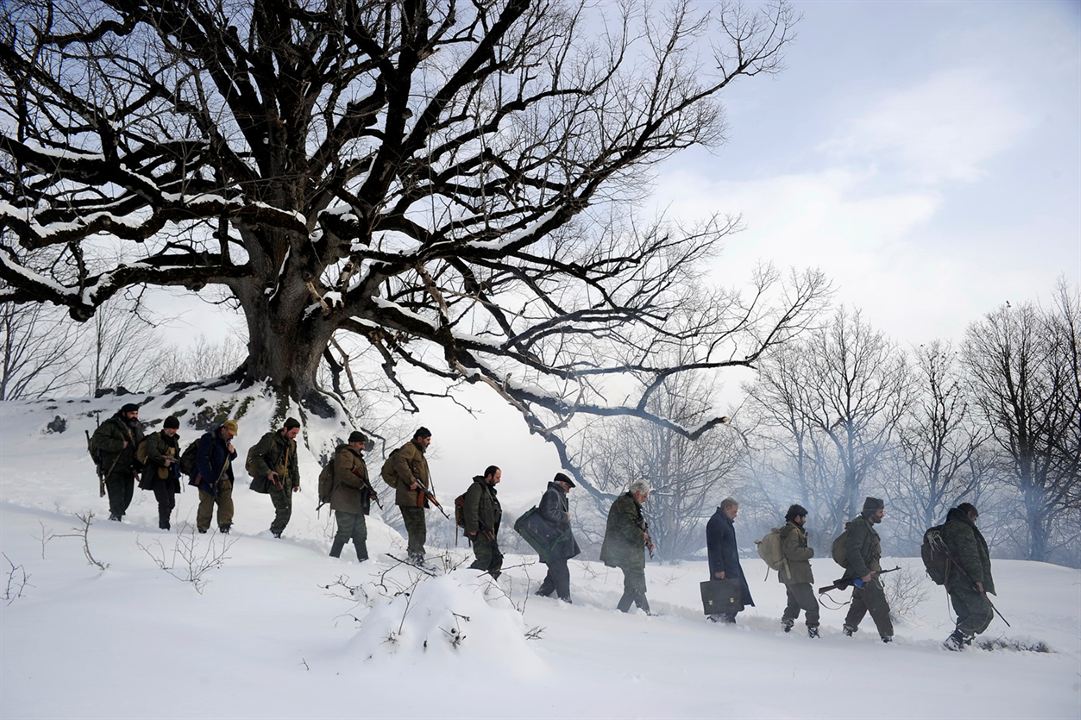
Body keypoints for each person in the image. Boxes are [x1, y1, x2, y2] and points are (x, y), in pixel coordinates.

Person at [941, 502, 996, 651]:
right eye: (974, 517)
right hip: (965, 579)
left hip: (951, 579)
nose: (975, 521)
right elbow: (970, 556)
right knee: (984, 613)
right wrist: (978, 579)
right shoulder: (963, 529)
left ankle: (961, 644)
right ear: (969, 514)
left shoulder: (948, 527)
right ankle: (955, 640)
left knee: (965, 614)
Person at [841, 497, 893, 643]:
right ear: (871, 512)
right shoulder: (860, 526)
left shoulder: (866, 526)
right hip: (865, 574)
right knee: (880, 605)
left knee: (860, 603)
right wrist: (864, 573)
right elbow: (853, 551)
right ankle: (887, 639)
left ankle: (848, 630)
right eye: (880, 511)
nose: (882, 514)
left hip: (868, 573)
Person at [600, 480, 654, 614]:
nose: (646, 499)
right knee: (636, 582)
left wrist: (648, 540)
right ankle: (645, 613)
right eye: (645, 496)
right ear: (637, 493)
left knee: (632, 586)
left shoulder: (632, 504)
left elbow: (639, 525)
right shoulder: (625, 503)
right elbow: (627, 527)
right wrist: (643, 536)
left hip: (628, 552)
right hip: (625, 552)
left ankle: (621, 612)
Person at [90, 402, 144, 521]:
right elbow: (98, 439)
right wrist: (119, 444)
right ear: (124, 413)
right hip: (113, 466)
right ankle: (114, 522)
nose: (134, 416)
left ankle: (115, 517)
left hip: (130, 467)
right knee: (117, 497)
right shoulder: (111, 425)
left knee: (127, 497)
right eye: (131, 413)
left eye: (136, 413)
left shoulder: (136, 426)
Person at [248, 417, 302, 538]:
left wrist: (296, 482)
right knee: (283, 510)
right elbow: (256, 456)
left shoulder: (292, 444)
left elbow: (294, 464)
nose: (294, 436)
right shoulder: (270, 439)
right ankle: (272, 535)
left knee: (287, 511)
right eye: (293, 433)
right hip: (273, 480)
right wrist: (268, 472)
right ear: (285, 428)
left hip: (287, 481)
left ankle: (273, 534)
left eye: (296, 433)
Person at [388, 427, 434, 563]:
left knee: (418, 529)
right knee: (416, 529)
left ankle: (415, 556)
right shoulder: (410, 448)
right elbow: (399, 461)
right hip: (409, 498)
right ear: (419, 438)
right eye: (427, 439)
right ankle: (415, 558)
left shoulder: (418, 452)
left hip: (415, 498)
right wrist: (411, 480)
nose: (429, 442)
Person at [705, 497, 754, 623]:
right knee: (726, 593)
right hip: (724, 567)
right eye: (734, 512)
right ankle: (720, 618)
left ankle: (727, 618)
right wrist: (718, 568)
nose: (736, 515)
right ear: (726, 508)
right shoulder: (716, 522)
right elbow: (714, 547)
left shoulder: (724, 521)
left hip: (731, 565)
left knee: (736, 593)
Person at [534, 472, 580, 602]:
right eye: (568, 487)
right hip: (553, 542)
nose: (569, 490)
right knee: (561, 572)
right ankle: (565, 601)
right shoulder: (552, 494)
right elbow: (548, 513)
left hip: (555, 542)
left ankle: (540, 596)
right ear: (562, 484)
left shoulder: (556, 494)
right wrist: (564, 516)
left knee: (555, 573)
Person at [328, 431, 373, 562]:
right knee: (344, 532)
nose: (363, 446)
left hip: (354, 502)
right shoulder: (345, 454)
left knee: (360, 533)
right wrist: (360, 485)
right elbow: (344, 473)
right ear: (352, 443)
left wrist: (368, 489)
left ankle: (364, 561)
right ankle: (332, 560)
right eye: (360, 443)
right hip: (344, 500)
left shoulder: (356, 457)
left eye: (363, 444)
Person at [778, 504, 819, 638]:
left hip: (789, 575)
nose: (805, 520)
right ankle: (813, 631)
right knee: (812, 605)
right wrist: (809, 552)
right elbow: (792, 552)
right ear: (796, 517)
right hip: (796, 576)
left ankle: (786, 626)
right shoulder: (793, 532)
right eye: (803, 517)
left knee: (794, 603)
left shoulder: (788, 530)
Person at [192, 420, 238, 534]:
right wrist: (210, 479)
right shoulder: (209, 438)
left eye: (233, 434)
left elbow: (225, 459)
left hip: (224, 479)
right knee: (206, 505)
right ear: (223, 429)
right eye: (230, 433)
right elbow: (202, 460)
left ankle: (225, 527)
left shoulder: (225, 442)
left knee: (226, 504)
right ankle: (202, 530)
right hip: (207, 479)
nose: (231, 436)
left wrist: (233, 453)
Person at [138, 415, 182, 530]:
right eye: (171, 428)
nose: (173, 431)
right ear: (165, 428)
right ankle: (164, 526)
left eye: (175, 429)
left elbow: (177, 456)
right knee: (164, 501)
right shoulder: (154, 437)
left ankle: (165, 522)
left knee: (171, 503)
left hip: (171, 475)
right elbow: (152, 453)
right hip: (156, 474)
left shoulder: (175, 440)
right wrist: (164, 461)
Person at [463, 465, 503, 578]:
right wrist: (472, 529)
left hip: (489, 533)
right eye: (497, 477)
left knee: (496, 559)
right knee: (484, 559)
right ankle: (463, 580)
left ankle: (490, 587)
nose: (499, 480)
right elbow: (470, 508)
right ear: (489, 475)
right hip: (480, 531)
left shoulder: (489, 491)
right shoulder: (477, 487)